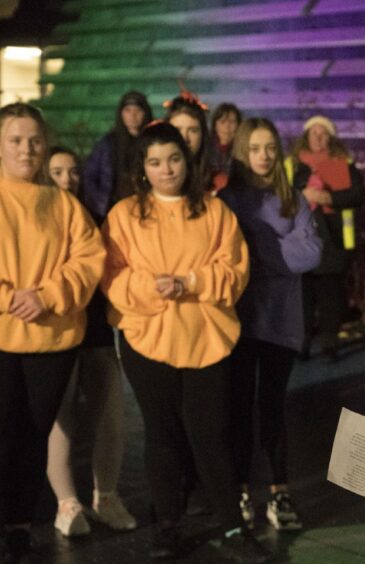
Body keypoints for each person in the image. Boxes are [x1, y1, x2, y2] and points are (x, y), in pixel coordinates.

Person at [100, 122, 269, 562]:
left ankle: (233, 526)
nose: (166, 169)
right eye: (154, 162)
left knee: (211, 435)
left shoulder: (214, 212)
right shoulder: (123, 215)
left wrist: (191, 281)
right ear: (142, 168)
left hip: (206, 337)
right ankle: (168, 527)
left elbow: (235, 269)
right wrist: (151, 288)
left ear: (187, 161)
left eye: (173, 159)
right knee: (161, 436)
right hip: (148, 338)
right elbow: (111, 273)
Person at [0, 103, 105, 562]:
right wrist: (9, 298)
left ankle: (20, 522)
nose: (27, 149)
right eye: (16, 140)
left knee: (32, 436)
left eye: (34, 140)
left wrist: (46, 294)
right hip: (2, 337)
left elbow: (89, 260)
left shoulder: (64, 204)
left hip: (51, 340)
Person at [219, 118, 322, 531]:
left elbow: (311, 252)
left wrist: (258, 248)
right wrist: (282, 250)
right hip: (240, 322)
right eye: (254, 148)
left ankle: (279, 492)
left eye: (269, 148)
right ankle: (242, 490)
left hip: (282, 322)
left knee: (274, 408)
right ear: (242, 152)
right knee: (239, 408)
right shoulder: (227, 200)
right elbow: (229, 258)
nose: (263, 156)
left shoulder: (293, 199)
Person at [45, 146, 138, 537]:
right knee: (60, 419)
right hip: (54, 333)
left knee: (111, 415)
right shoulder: (37, 224)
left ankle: (107, 495)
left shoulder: (95, 219)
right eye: (58, 172)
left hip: (97, 331)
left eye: (73, 172)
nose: (68, 180)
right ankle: (66, 502)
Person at [287, 115, 365, 358]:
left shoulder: (343, 163)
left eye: (323, 134)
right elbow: (280, 195)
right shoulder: (291, 164)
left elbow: (358, 194)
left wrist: (329, 198)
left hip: (332, 240)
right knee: (303, 298)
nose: (319, 138)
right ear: (306, 137)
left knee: (330, 296)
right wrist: (304, 195)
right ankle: (302, 345)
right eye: (314, 133)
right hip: (300, 240)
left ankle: (329, 344)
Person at [83, 90, 153, 223]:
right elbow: (90, 175)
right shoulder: (107, 144)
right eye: (128, 110)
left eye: (138, 110)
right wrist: (99, 203)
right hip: (112, 208)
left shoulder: (152, 142)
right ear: (121, 113)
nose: (133, 115)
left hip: (147, 206)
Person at [165, 91, 227, 192]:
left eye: (193, 130)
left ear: (202, 135)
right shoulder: (152, 180)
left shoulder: (220, 184)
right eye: (177, 130)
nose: (185, 138)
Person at [210, 102, 242, 174]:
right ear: (215, 125)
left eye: (232, 122)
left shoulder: (243, 151)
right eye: (222, 122)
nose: (227, 126)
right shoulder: (205, 149)